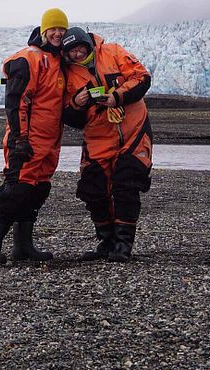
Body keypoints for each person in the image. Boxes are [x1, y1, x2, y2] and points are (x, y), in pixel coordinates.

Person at [61, 26, 152, 262]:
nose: (78, 55)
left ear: (87, 43)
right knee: (94, 189)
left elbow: (142, 77)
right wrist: (77, 102)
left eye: (80, 48)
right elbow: (70, 117)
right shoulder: (69, 74)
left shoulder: (112, 52)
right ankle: (106, 241)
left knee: (127, 183)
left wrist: (117, 97)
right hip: (98, 137)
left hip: (133, 130)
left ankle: (123, 245)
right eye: (72, 52)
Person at [0, 8, 69, 264]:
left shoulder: (59, 60)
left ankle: (23, 246)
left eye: (62, 29)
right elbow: (16, 101)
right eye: (53, 29)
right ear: (44, 31)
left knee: (37, 190)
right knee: (16, 189)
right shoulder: (29, 59)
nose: (58, 33)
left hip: (49, 141)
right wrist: (20, 138)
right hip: (27, 139)